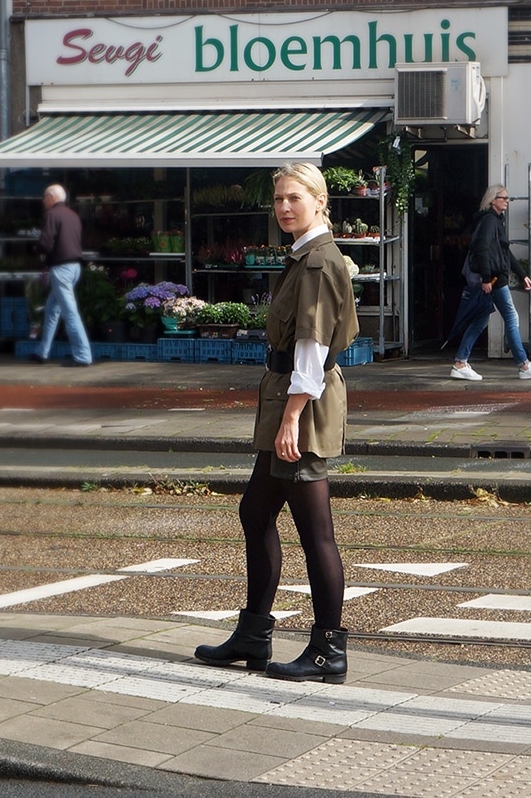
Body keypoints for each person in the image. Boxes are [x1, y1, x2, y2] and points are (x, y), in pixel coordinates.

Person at [195, 163, 359, 684]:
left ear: (319, 201)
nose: (284, 207)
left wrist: (290, 419)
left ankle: (328, 651)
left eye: (294, 197)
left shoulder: (315, 265)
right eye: (279, 199)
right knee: (255, 511)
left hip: (300, 405)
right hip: (287, 400)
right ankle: (254, 633)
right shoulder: (304, 257)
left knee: (316, 533)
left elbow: (310, 351)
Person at [450, 185, 531, 381]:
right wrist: (487, 278)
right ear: (492, 200)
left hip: (495, 278)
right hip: (494, 280)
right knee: (511, 318)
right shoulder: (489, 221)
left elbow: (505, 253)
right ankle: (523, 365)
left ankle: (460, 362)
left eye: (507, 198)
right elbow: (482, 249)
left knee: (480, 320)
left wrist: (522, 275)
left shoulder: (495, 222)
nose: (506, 201)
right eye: (503, 197)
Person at [28, 184, 92, 368]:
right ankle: (42, 352)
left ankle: (82, 356)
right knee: (51, 309)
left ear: (51, 198)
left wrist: (36, 248)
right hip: (75, 267)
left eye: (44, 197)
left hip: (61, 268)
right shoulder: (73, 215)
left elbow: (46, 243)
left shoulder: (52, 215)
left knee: (69, 312)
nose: (43, 201)